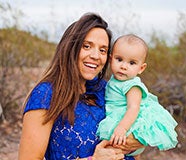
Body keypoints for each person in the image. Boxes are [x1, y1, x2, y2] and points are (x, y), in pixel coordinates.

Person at [18, 13, 143, 160]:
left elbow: (133, 134)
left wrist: (136, 143)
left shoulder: (106, 89)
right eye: (87, 46)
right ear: (70, 48)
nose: (96, 56)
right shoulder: (45, 95)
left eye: (103, 50)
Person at [96, 34, 178, 159]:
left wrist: (122, 129)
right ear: (111, 59)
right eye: (119, 59)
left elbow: (133, 108)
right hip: (119, 118)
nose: (124, 66)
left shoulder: (133, 85)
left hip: (127, 123)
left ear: (141, 68)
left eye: (132, 63)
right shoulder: (116, 80)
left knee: (111, 149)